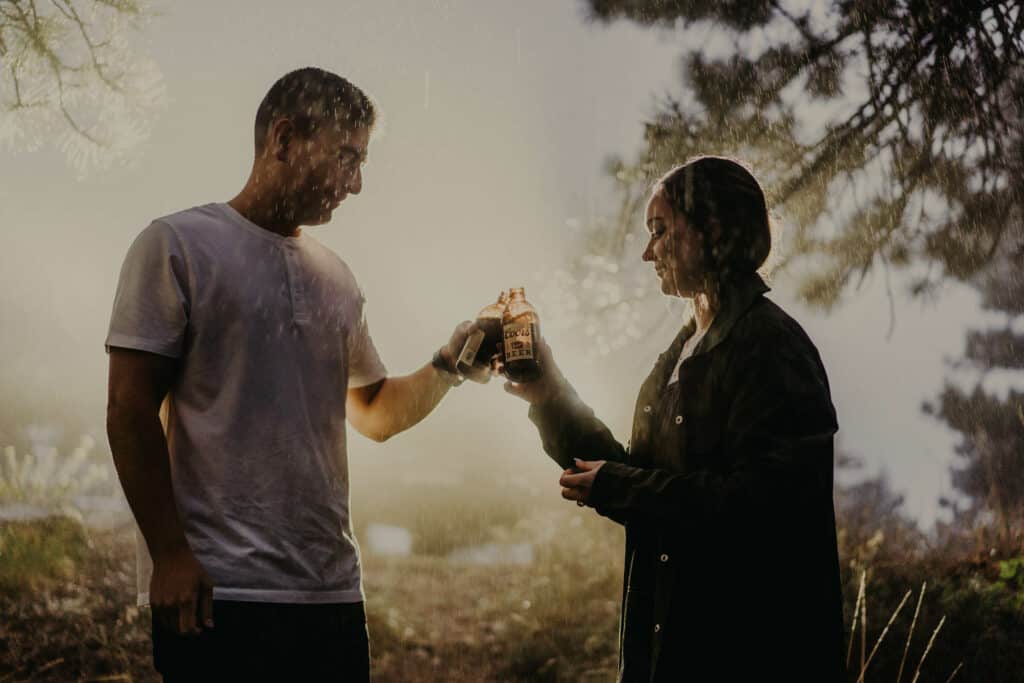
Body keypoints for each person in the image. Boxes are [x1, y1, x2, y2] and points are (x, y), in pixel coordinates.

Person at [105, 67, 479, 682]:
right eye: (346, 158)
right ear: (283, 138)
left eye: (362, 164)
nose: (356, 184)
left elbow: (376, 414)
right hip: (218, 597)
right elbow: (129, 409)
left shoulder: (338, 277)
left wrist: (450, 363)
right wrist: (169, 555)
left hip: (331, 597)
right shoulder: (177, 244)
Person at [505, 156, 846, 682]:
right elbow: (637, 477)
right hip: (669, 655)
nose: (648, 253)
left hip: (749, 656)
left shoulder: (772, 348)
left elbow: (756, 510)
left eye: (660, 231)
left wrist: (618, 486)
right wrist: (548, 394)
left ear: (712, 230)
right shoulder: (683, 352)